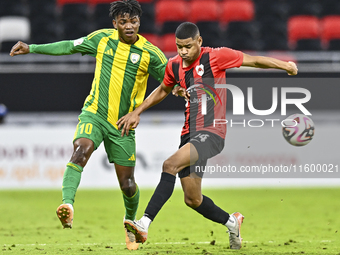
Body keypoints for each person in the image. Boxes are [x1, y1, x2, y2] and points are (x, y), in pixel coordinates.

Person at [117, 22, 298, 250]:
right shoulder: (174, 66)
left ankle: (143, 223)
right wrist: (137, 111)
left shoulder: (216, 57)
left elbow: (254, 60)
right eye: (179, 47)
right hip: (189, 134)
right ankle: (232, 222)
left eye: (188, 46)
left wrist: (286, 66)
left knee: (169, 165)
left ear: (199, 42)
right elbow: (163, 88)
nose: (183, 51)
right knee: (192, 199)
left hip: (212, 133)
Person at [9, 0, 167, 250]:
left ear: (139, 22)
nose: (129, 26)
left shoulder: (150, 53)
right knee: (80, 151)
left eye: (133, 21)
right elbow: (68, 46)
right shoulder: (101, 39)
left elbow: (168, 82)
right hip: (94, 113)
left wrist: (140, 110)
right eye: (123, 21)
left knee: (127, 185)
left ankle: (129, 222)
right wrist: (32, 48)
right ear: (114, 23)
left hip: (122, 125)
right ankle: (67, 204)